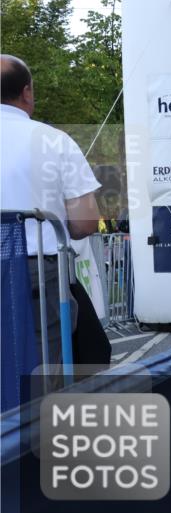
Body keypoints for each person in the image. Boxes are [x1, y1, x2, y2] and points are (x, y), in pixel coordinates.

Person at [1, 54, 102, 367]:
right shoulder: (54, 141)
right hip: (37, 275)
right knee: (44, 370)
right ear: (27, 92)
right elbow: (85, 223)